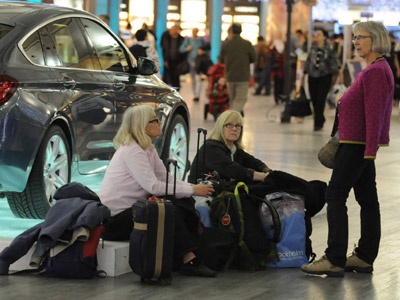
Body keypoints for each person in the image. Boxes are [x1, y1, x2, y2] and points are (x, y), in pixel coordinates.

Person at [301, 21, 394, 277]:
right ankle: (364, 256)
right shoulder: (375, 68)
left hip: (357, 145)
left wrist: (370, 149)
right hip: (359, 143)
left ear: (375, 39)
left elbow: (374, 114)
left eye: (361, 37)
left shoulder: (375, 72)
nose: (355, 42)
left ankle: (334, 258)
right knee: (366, 199)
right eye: (354, 37)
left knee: (335, 196)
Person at [99, 104, 217, 277]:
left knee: (183, 201)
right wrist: (192, 189)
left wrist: (192, 189)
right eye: (155, 120)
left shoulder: (147, 148)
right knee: (171, 209)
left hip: (133, 210)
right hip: (115, 220)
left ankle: (190, 252)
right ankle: (188, 258)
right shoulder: (132, 151)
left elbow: (166, 178)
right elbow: (153, 186)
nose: (160, 122)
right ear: (143, 125)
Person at [188, 109, 271, 185]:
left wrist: (268, 172)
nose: (234, 129)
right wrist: (262, 176)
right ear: (220, 127)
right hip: (201, 197)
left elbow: (254, 162)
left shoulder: (234, 149)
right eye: (229, 125)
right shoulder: (211, 147)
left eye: (238, 126)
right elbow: (232, 169)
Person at [303, 28, 340, 131]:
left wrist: (335, 76)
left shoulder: (330, 48)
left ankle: (318, 122)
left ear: (324, 37)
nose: (317, 36)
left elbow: (334, 63)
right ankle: (320, 117)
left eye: (319, 34)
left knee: (320, 99)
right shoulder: (313, 47)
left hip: (324, 77)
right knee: (314, 99)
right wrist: (304, 73)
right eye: (316, 34)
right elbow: (308, 60)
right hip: (312, 76)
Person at [220, 23, 256, 114]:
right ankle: (231, 116)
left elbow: (221, 59)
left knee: (232, 99)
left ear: (231, 31)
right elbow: (254, 58)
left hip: (230, 75)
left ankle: (233, 120)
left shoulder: (226, 44)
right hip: (243, 75)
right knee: (241, 99)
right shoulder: (247, 44)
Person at [179, 28, 208, 102]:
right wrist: (187, 49)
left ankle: (197, 94)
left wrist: (203, 51)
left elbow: (208, 48)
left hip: (199, 63)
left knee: (198, 78)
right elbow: (181, 49)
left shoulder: (201, 40)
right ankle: (194, 93)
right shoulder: (188, 40)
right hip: (190, 62)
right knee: (193, 79)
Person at [160, 24, 186, 89]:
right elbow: (164, 49)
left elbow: (183, 52)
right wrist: (166, 59)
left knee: (176, 77)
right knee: (168, 76)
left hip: (178, 61)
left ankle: (176, 90)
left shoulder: (181, 39)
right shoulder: (167, 38)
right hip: (169, 60)